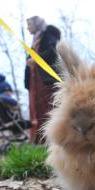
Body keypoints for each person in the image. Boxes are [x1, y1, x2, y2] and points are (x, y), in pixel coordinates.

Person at [24, 16, 61, 144]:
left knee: (47, 107)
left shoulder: (48, 35)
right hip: (34, 83)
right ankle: (39, 140)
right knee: (36, 110)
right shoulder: (35, 40)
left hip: (46, 81)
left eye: (29, 24)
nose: (27, 27)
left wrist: (35, 60)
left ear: (36, 24)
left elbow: (51, 52)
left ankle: (52, 139)